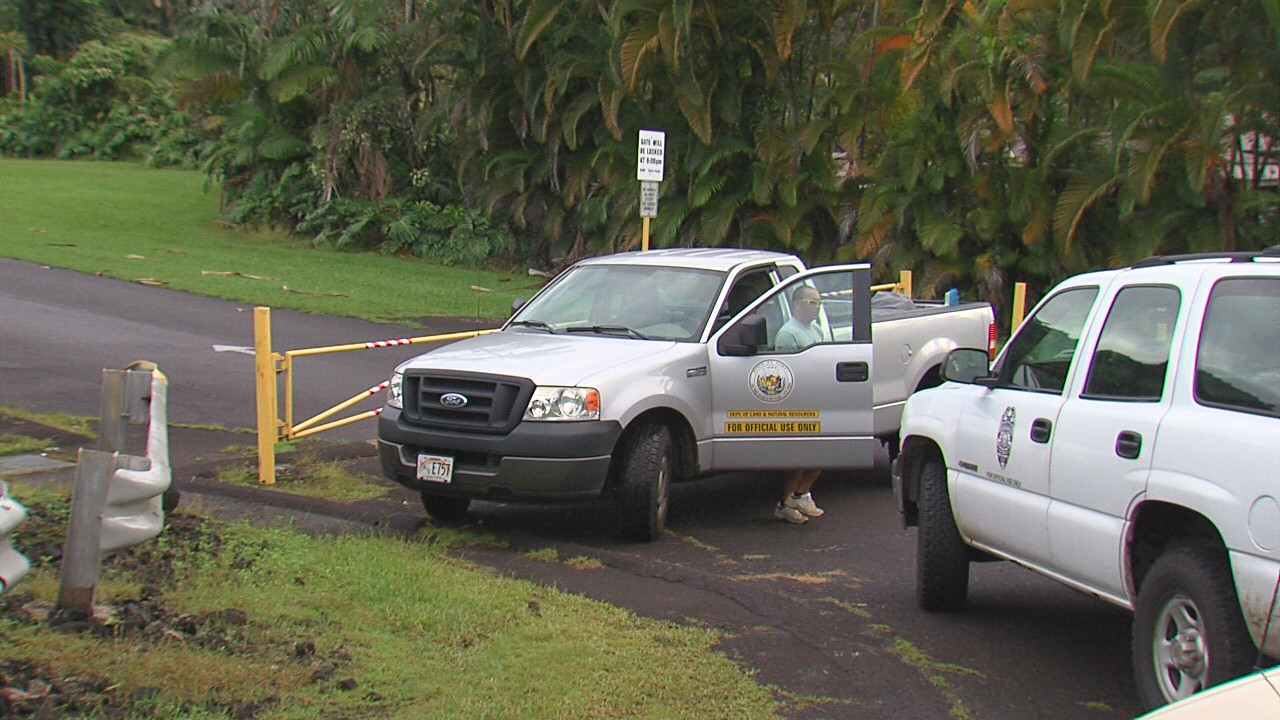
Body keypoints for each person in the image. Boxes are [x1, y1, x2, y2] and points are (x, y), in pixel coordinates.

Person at [772, 285, 825, 524]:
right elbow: (785, 372)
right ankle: (786, 501)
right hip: (799, 402)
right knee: (801, 456)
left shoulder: (816, 330)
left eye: (818, 303)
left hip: (817, 398)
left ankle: (801, 495)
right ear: (797, 305)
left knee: (820, 456)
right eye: (811, 303)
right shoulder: (788, 334)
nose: (816, 307)